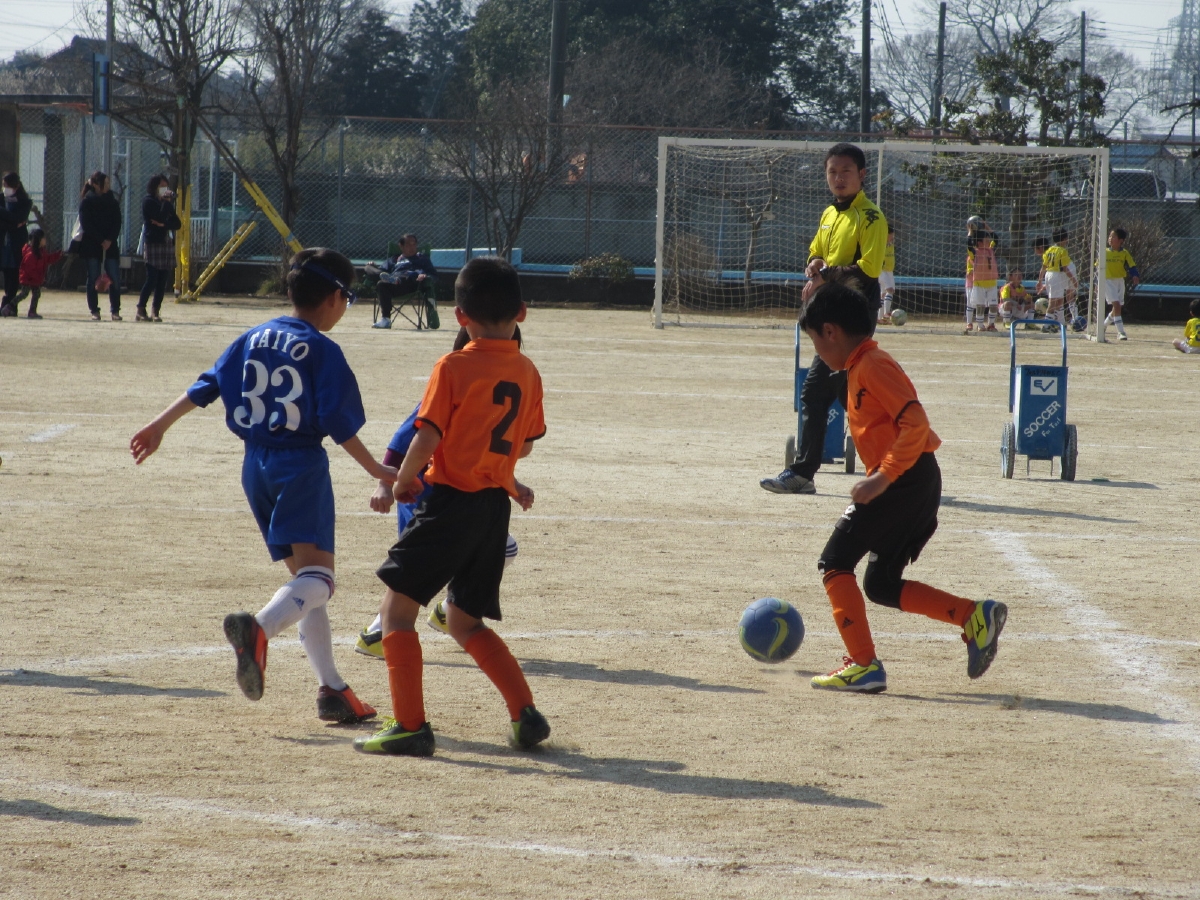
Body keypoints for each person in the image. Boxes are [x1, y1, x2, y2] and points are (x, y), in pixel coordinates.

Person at [129, 248, 392, 725]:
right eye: (348, 299)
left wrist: (158, 425)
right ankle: (260, 629)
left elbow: (207, 385)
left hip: (255, 466)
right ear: (335, 296)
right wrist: (376, 468)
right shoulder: (322, 349)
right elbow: (337, 422)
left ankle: (332, 688)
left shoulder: (253, 336)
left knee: (305, 582)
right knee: (320, 580)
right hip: (299, 466)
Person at [355, 256, 548, 757]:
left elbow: (428, 435)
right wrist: (503, 472)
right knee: (464, 621)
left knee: (396, 612)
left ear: (460, 316)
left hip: (448, 503)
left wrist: (402, 480)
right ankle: (524, 712)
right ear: (521, 312)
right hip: (493, 510)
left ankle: (410, 726)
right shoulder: (528, 371)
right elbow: (525, 445)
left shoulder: (452, 365)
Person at [794, 281, 1007, 692]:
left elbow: (916, 424)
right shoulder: (858, 366)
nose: (816, 353)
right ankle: (973, 616)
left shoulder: (873, 365)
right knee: (881, 584)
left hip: (904, 479)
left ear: (831, 332)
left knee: (834, 562)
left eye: (815, 342)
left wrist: (883, 476)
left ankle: (864, 666)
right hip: (913, 479)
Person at [355, 327, 522, 660]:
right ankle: (380, 632)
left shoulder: (485, 395)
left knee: (500, 548)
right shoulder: (450, 390)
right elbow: (403, 442)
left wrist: (513, 484)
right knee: (413, 580)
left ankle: (443, 613)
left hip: (456, 502)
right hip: (428, 502)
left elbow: (483, 455)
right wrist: (385, 484)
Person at [760, 143, 887, 495]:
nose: (838, 178)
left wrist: (825, 277)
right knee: (843, 395)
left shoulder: (871, 217)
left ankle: (808, 474)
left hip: (853, 316)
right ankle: (890, 469)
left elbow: (869, 270)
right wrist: (815, 264)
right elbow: (817, 251)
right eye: (832, 172)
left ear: (862, 175)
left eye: (846, 171)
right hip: (831, 313)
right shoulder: (830, 213)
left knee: (823, 392)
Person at [77, 171, 123, 321]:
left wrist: (109, 239)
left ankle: (115, 310)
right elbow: (86, 224)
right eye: (105, 183)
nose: (108, 186)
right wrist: (100, 240)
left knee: (114, 277)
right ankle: (94, 310)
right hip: (91, 245)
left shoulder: (113, 202)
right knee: (93, 277)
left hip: (110, 246)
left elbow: (117, 223)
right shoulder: (87, 202)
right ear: (96, 185)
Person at [137, 174, 182, 323]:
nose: (164, 189)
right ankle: (141, 308)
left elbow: (177, 223)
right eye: (162, 186)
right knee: (152, 278)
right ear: (155, 186)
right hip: (153, 243)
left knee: (163, 280)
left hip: (165, 243)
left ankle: (155, 310)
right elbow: (159, 217)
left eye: (166, 186)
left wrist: (164, 224)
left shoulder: (164, 203)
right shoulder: (148, 201)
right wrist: (166, 205)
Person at [370, 233, 438, 329]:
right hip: (393, 286)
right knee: (377, 278)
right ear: (401, 246)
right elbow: (382, 271)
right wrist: (372, 266)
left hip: (411, 284)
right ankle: (386, 320)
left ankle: (396, 280)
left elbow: (434, 275)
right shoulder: (394, 259)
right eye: (408, 244)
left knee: (408, 275)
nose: (412, 247)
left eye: (414, 244)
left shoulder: (422, 259)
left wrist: (425, 276)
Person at [0, 172, 33, 316]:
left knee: (13, 273)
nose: (4, 188)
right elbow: (14, 221)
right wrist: (13, 224)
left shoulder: (25, 201)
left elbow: (20, 218)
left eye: (6, 185)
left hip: (16, 242)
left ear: (15, 186)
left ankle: (9, 305)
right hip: (3, 241)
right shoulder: (1, 199)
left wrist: (8, 219)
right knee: (6, 272)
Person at [1101, 227, 1139, 341]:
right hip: (1108, 281)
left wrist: (1135, 275)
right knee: (1117, 306)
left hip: (1120, 281)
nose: (1110, 238)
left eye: (1113, 236)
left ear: (1120, 241)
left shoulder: (1124, 253)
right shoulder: (1104, 252)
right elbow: (1097, 267)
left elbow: (1131, 265)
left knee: (1117, 307)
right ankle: (1120, 332)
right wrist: (1097, 282)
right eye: (1110, 236)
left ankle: (1103, 326)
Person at [17, 228, 63, 319]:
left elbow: (48, 259)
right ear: (38, 240)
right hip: (28, 278)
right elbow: (29, 269)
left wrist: (57, 255)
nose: (45, 240)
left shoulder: (41, 251)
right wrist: (38, 278)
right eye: (43, 238)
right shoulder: (31, 254)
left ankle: (32, 311)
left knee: (36, 294)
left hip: (35, 279)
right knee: (24, 294)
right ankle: (10, 306)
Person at [1034, 230, 1077, 327]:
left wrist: (1040, 281)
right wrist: (1073, 280)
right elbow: (1065, 268)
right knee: (1053, 302)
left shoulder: (1048, 251)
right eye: (1066, 239)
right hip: (1057, 275)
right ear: (1064, 239)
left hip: (1049, 275)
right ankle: (1046, 325)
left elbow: (1043, 267)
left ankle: (1061, 324)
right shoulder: (1062, 251)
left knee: (1059, 300)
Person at [964, 216, 999, 333]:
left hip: (992, 282)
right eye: (986, 239)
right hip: (979, 283)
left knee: (993, 305)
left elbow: (996, 238)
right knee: (980, 305)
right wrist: (970, 232)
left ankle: (991, 324)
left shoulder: (991, 250)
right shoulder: (975, 253)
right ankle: (980, 325)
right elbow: (969, 244)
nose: (989, 240)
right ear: (979, 242)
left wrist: (986, 227)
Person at [878, 225, 896, 324]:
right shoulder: (880, 243)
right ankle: (886, 313)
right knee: (890, 290)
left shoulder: (891, 243)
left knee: (883, 293)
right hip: (882, 270)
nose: (892, 238)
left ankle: (880, 318)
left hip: (889, 270)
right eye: (891, 236)